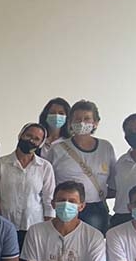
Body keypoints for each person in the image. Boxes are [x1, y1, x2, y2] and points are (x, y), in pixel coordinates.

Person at [44, 100, 116, 235]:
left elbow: (113, 182)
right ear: (70, 122)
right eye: (77, 119)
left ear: (95, 122)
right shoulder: (57, 149)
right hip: (65, 207)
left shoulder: (106, 147)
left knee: (93, 244)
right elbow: (46, 181)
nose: (82, 123)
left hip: (95, 210)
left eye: (87, 119)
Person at [0, 123, 56, 247]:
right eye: (28, 135)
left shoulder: (45, 167)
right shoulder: (0, 164)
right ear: (20, 135)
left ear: (41, 144)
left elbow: (49, 200)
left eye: (36, 139)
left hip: (34, 227)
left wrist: (48, 229)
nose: (31, 140)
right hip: (5, 226)